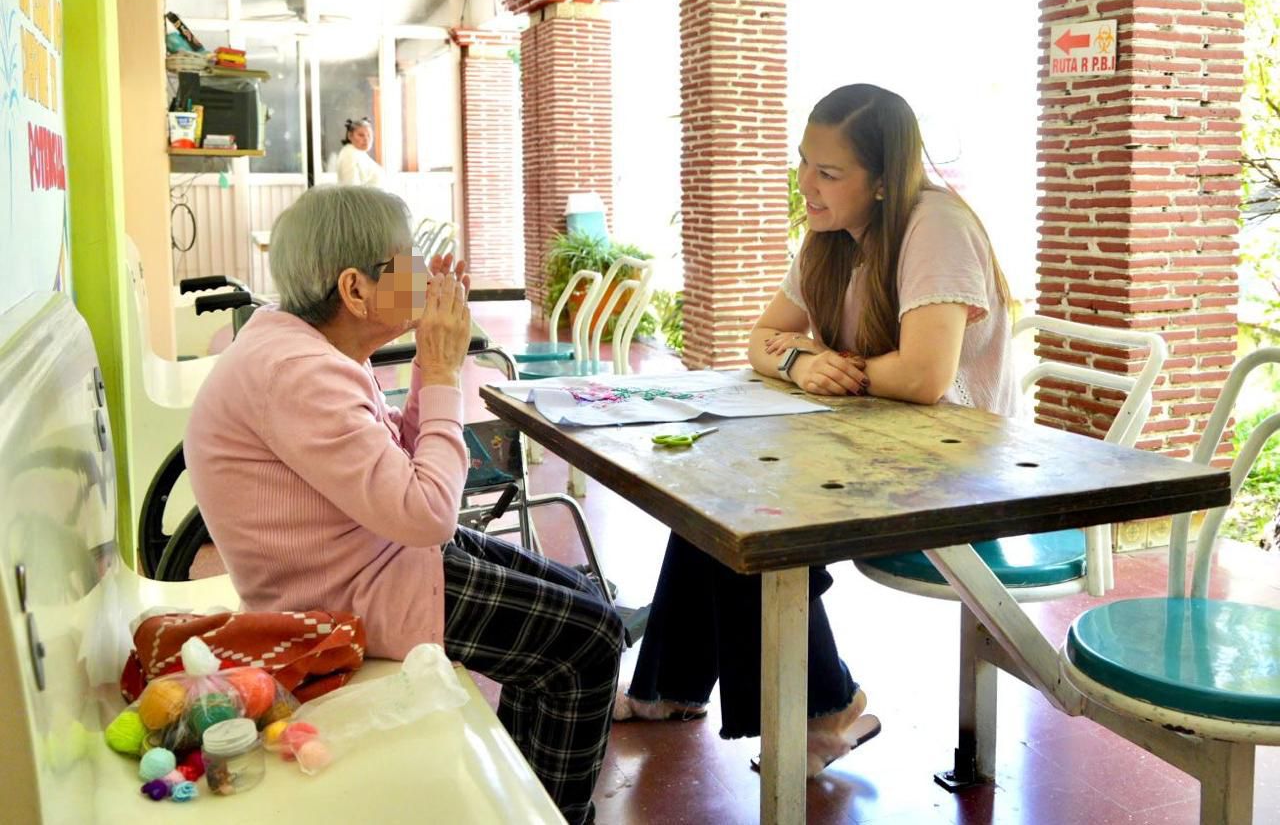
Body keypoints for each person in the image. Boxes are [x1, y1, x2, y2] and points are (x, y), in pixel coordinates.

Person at [614, 83, 1020, 777]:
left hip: (956, 468)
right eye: (805, 162)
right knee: (714, 485)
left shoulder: (937, 225)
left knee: (754, 511)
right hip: (872, 442)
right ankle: (673, 688)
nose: (807, 184)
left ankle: (823, 710)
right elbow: (763, 337)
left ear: (885, 180)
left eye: (829, 173)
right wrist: (803, 362)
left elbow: (925, 375)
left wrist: (825, 367)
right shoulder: (831, 238)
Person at [184, 185, 622, 825]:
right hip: (347, 593)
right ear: (355, 290)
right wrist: (443, 370)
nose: (424, 273)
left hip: (374, 555)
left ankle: (527, 800)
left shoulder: (306, 348)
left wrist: (429, 363)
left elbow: (406, 469)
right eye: (408, 259)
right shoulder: (300, 373)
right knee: (590, 640)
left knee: (585, 599)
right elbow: (427, 513)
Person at [334, 117, 384, 187]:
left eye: (369, 135)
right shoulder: (349, 153)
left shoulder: (360, 153)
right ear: (350, 136)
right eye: (361, 135)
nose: (366, 139)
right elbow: (350, 188)